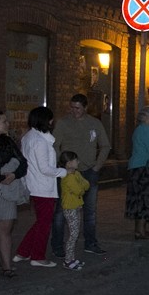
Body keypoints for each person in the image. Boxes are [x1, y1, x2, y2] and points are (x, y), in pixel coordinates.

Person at [51, 93, 111, 256]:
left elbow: (105, 145)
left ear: (85, 107)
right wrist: (60, 164)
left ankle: (90, 243)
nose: (74, 111)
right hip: (68, 173)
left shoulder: (94, 123)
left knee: (90, 210)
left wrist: (97, 166)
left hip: (89, 171)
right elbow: (55, 145)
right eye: (72, 107)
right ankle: (57, 246)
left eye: (77, 108)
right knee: (61, 210)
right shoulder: (63, 123)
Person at [14, 106, 68, 267]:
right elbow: (44, 168)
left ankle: (23, 251)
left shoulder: (30, 137)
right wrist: (64, 172)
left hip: (35, 185)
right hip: (42, 187)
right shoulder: (39, 141)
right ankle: (37, 256)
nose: (52, 122)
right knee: (44, 224)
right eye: (51, 119)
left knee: (41, 222)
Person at [0, 110, 28, 279]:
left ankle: (7, 266)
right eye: (4, 121)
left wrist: (13, 175)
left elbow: (23, 163)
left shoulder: (7, 141)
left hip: (7, 190)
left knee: (5, 229)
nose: (7, 124)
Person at [125, 107, 149, 239]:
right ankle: (141, 230)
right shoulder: (148, 132)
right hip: (145, 168)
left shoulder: (138, 130)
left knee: (138, 199)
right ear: (146, 117)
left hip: (137, 167)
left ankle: (139, 229)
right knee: (145, 199)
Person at [58, 151, 89, 271]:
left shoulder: (76, 174)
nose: (78, 162)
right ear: (69, 163)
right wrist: (81, 186)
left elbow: (87, 185)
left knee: (75, 233)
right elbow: (79, 190)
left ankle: (71, 258)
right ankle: (68, 260)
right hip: (70, 208)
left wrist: (81, 186)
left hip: (76, 207)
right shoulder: (68, 177)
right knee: (73, 234)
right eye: (76, 160)